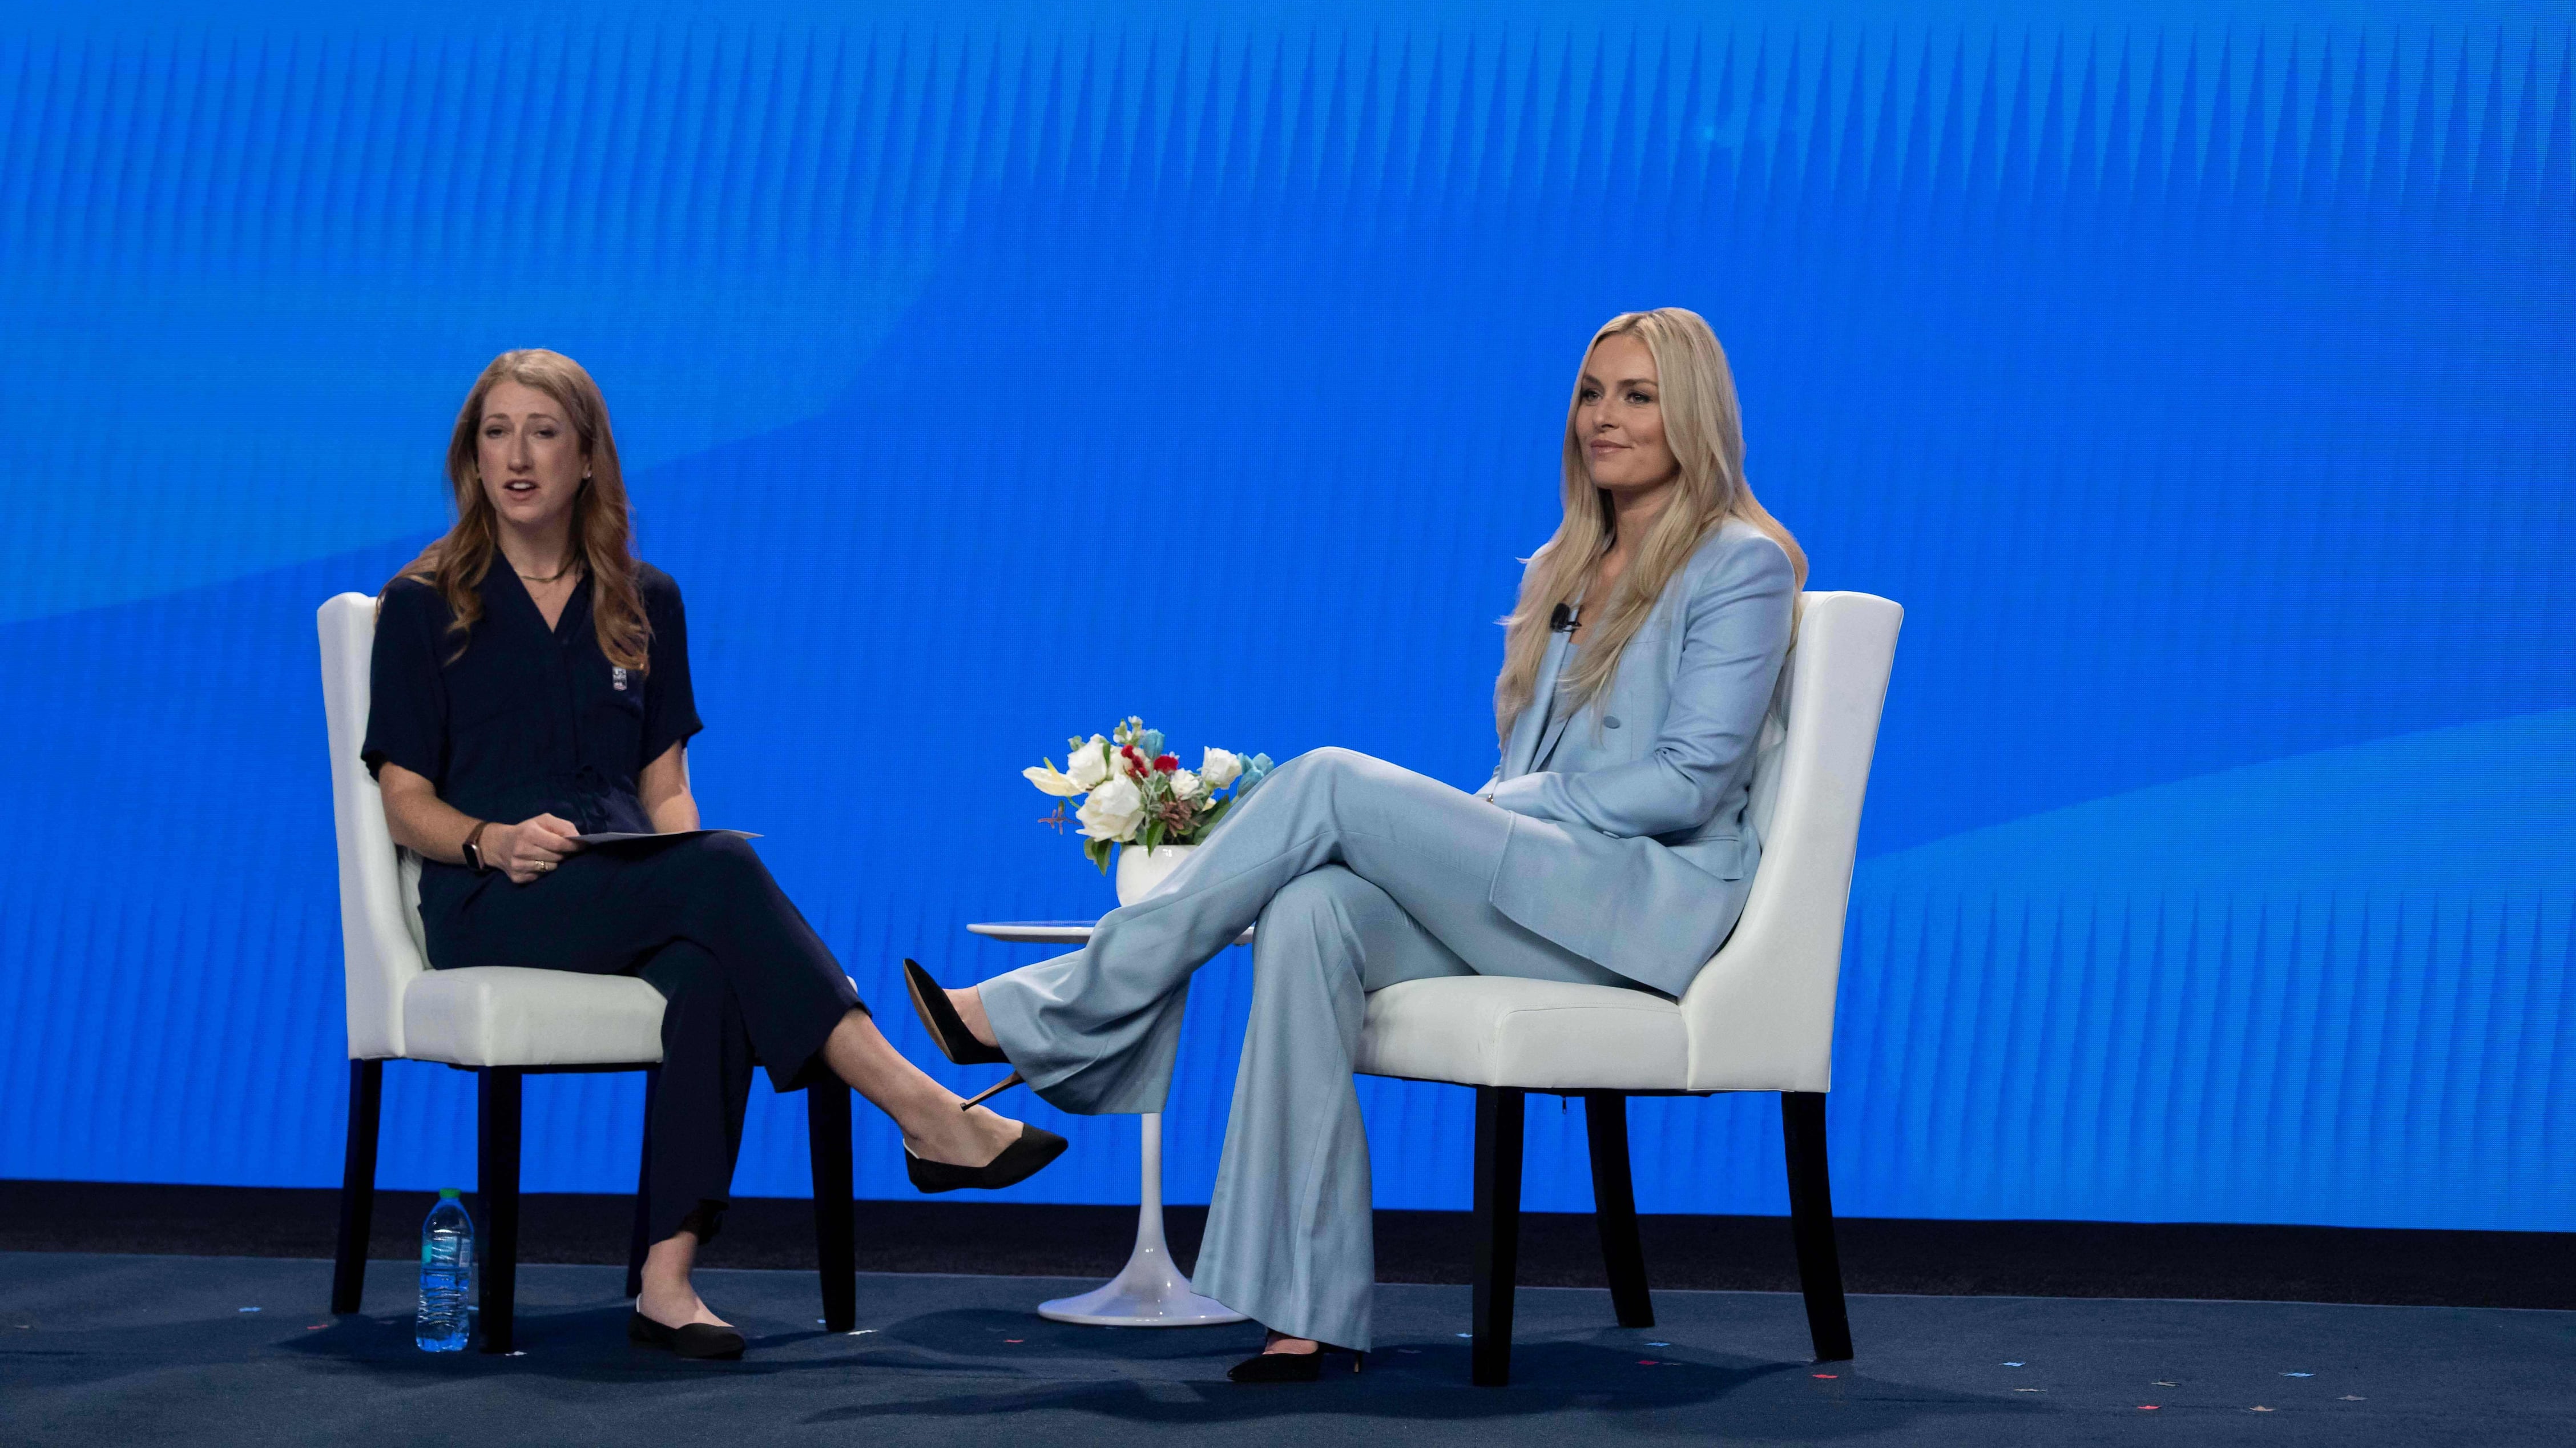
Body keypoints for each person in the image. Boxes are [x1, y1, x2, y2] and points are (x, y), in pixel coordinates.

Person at [904, 307, 1802, 1381]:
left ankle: (1051, 1008)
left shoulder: (1739, 564)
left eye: (1638, 395)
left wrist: (1507, 807)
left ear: (1692, 413)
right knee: (1307, 909)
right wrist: (1504, 813)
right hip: (1555, 883)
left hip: (1643, 908)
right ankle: (1304, 1306)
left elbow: (1690, 778)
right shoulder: (1565, 570)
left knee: (1327, 775)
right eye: (1591, 392)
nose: (1604, 417)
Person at [365, 348, 1065, 1362]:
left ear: (589, 458)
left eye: (543, 432)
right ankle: (923, 1107)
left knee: (710, 960)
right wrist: (492, 840)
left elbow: (663, 791)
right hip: (494, 894)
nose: (516, 456)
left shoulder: (645, 599)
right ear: (471, 457)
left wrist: (677, 853)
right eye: (495, 432)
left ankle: (666, 1277)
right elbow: (403, 803)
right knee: (725, 871)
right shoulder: (426, 602)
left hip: (625, 878)